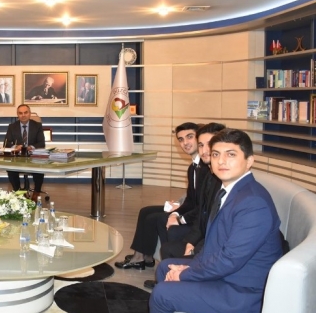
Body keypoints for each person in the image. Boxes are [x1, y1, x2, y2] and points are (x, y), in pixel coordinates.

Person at [149, 129, 283, 313]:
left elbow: (230, 259)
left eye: (231, 154)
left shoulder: (253, 203)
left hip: (243, 290)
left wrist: (186, 273)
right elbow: (214, 246)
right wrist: (188, 268)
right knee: (165, 267)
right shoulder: (228, 192)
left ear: (249, 161)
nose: (221, 161)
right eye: (216, 154)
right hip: (228, 274)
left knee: (161, 294)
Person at [145, 122, 225, 289]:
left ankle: (171, 278)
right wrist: (178, 216)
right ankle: (163, 274)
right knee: (151, 215)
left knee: (165, 225)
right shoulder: (204, 172)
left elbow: (208, 216)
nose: (205, 150)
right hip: (201, 227)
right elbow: (199, 207)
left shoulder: (216, 176)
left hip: (212, 242)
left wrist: (181, 220)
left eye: (189, 137)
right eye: (201, 145)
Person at [115, 122, 200, 270]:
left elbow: (200, 203)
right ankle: (144, 256)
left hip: (194, 215)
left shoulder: (205, 166)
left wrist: (177, 214)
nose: (185, 143)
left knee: (156, 218)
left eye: (189, 137)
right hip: (189, 208)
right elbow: (191, 197)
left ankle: (146, 260)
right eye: (181, 139)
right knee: (146, 211)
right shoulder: (193, 167)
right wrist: (178, 206)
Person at [3, 104, 46, 196]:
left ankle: (36, 193)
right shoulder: (12, 126)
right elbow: (6, 143)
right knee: (10, 169)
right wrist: (15, 147)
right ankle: (19, 193)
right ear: (17, 115)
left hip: (33, 157)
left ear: (29, 113)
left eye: (25, 112)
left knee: (40, 170)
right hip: (18, 157)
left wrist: (31, 147)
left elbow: (41, 143)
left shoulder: (37, 126)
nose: (23, 115)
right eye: (20, 113)